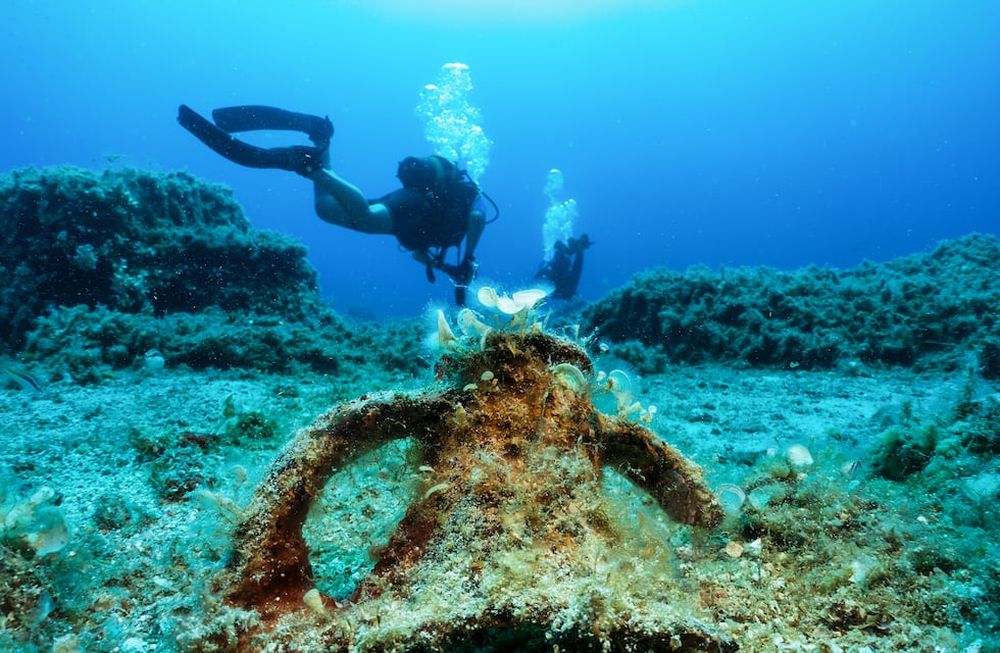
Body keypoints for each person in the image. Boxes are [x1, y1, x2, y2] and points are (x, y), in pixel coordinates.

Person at [177, 104, 487, 305]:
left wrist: (446, 268)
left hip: (412, 214)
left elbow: (420, 251)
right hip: (414, 209)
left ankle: (321, 141)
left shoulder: (445, 215)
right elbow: (477, 219)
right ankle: (310, 166)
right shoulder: (470, 198)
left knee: (325, 208)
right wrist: (469, 260)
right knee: (364, 217)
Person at [535, 234, 593, 300]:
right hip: (562, 290)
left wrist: (580, 250)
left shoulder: (569, 280)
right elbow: (577, 266)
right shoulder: (548, 272)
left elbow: (577, 266)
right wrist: (580, 250)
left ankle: (569, 250)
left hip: (563, 290)